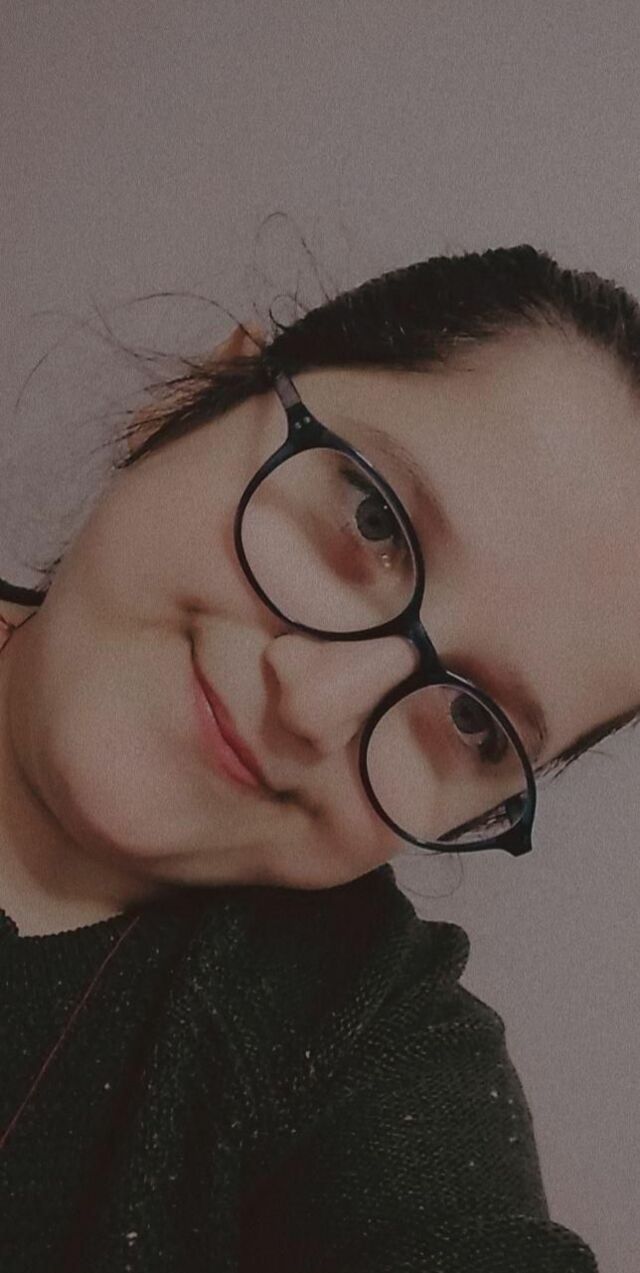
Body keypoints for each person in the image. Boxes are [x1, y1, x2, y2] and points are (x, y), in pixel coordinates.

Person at [1, 243, 636, 1270]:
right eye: (373, 517)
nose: (314, 704)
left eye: (473, 720)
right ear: (200, 395)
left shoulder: (358, 1042)